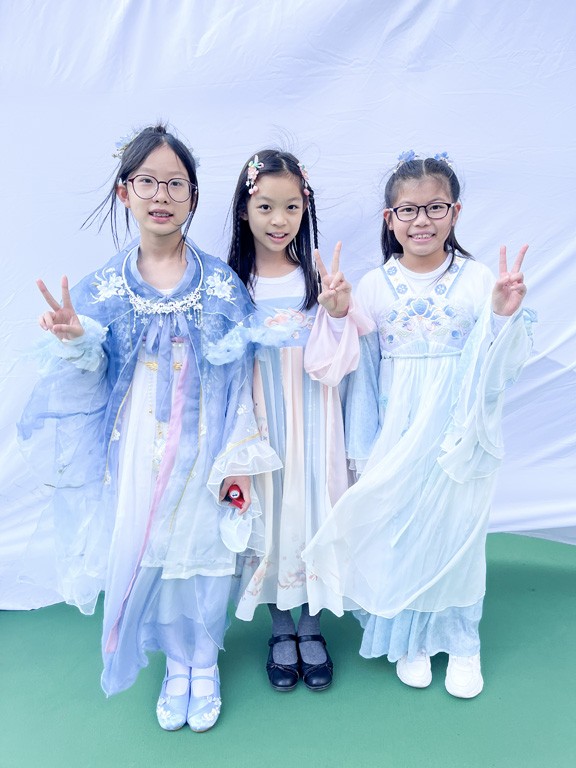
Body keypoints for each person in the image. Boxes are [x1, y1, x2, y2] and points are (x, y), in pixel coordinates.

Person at [17, 124, 280, 731]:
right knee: (151, 546)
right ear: (124, 192)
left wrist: (237, 454)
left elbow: (244, 375)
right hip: (137, 442)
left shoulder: (221, 285)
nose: (162, 195)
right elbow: (93, 373)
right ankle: (173, 664)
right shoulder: (105, 286)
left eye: (175, 184)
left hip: (207, 436)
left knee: (204, 547)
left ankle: (203, 661)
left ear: (193, 197)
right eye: (148, 182)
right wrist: (77, 341)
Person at [302, 152, 534, 698]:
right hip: (398, 430)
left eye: (435, 207)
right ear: (389, 219)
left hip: (458, 429)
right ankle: (412, 638)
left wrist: (502, 315)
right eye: (408, 210)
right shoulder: (373, 286)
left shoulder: (478, 280)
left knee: (458, 534)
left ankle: (462, 641)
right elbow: (363, 373)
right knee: (401, 534)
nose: (421, 220)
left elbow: (499, 365)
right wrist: (367, 443)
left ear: (455, 213)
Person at [227, 150, 372, 692]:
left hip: (314, 417)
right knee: (268, 513)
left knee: (314, 508)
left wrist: (336, 313)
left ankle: (311, 624)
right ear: (244, 210)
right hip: (259, 419)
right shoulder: (231, 283)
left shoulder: (319, 280)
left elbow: (338, 366)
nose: (279, 219)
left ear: (305, 208)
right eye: (265, 206)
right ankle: (279, 626)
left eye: (291, 206)